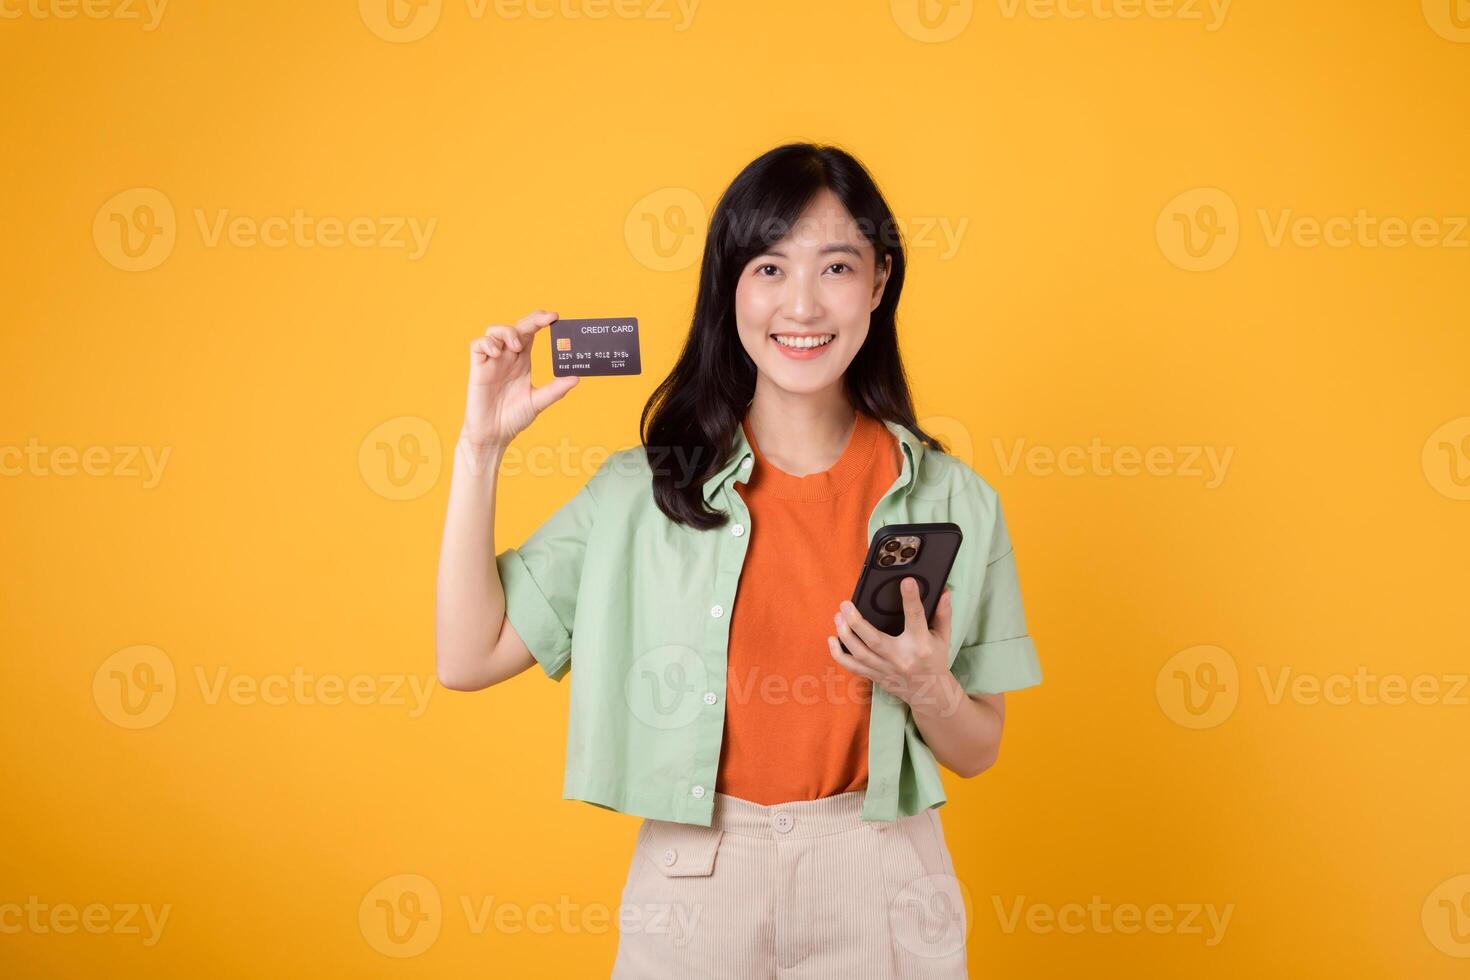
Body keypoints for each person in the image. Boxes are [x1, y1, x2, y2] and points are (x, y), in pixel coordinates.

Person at [434, 142, 1042, 979]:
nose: (801, 304)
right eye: (767, 267)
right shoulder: (643, 491)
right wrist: (481, 449)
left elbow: (978, 749)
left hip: (883, 882)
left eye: (835, 266)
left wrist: (926, 684)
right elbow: (467, 656)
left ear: (880, 281)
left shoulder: (953, 501)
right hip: (696, 880)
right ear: (731, 287)